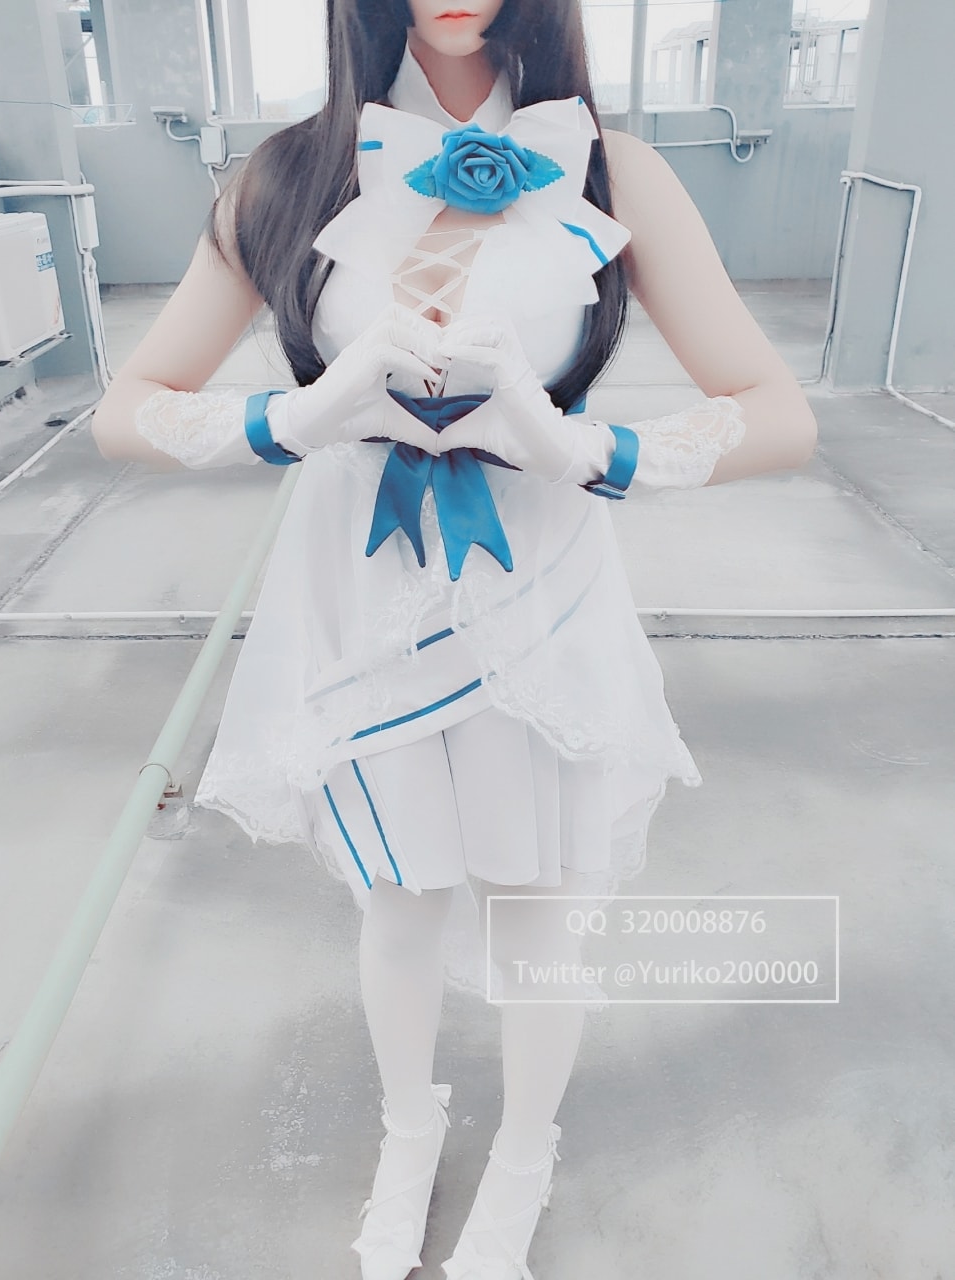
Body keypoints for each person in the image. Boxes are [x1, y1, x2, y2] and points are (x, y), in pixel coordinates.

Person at [90, 1, 817, 1275]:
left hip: (538, 583)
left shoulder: (609, 167)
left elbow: (778, 412)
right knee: (400, 892)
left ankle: (525, 1152)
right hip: (358, 592)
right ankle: (407, 1130)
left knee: (537, 899)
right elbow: (126, 408)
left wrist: (581, 443)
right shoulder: (285, 174)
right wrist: (293, 416)